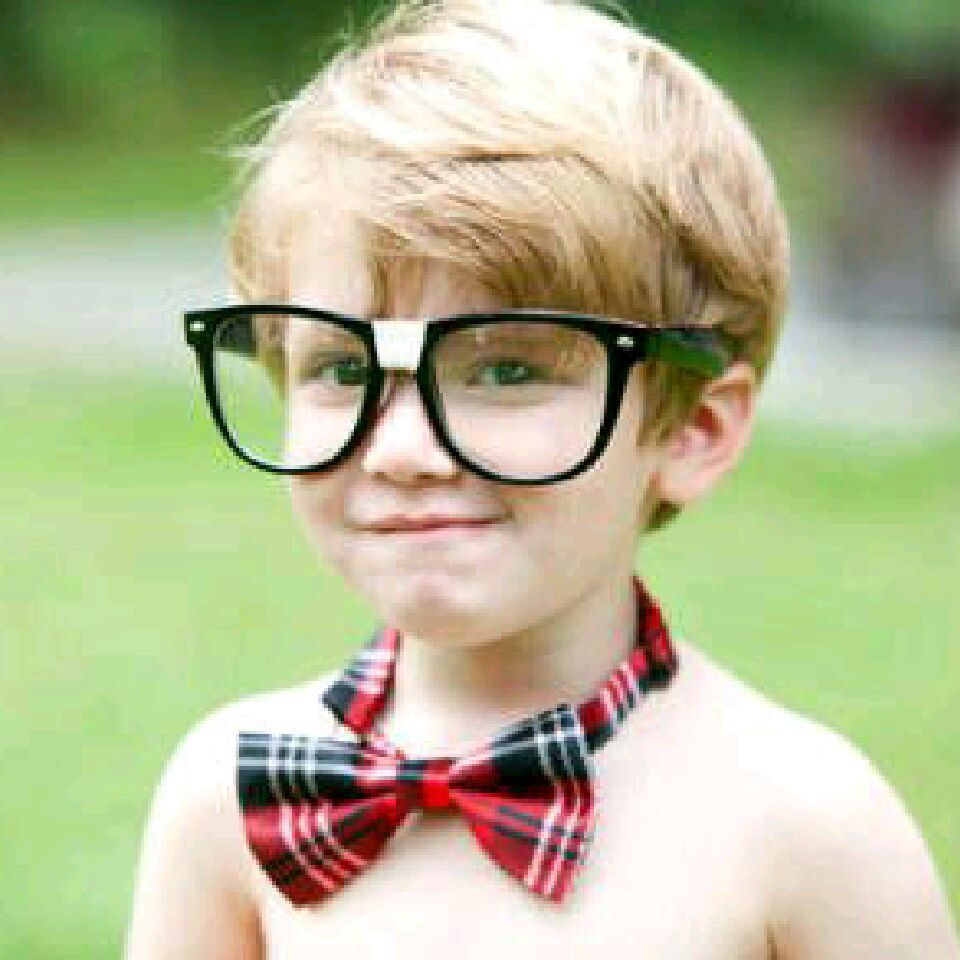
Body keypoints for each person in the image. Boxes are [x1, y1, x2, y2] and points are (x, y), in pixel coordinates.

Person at [124, 1, 960, 956]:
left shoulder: (803, 829)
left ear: (693, 429)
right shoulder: (229, 798)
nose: (400, 449)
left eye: (506, 370)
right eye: (344, 368)